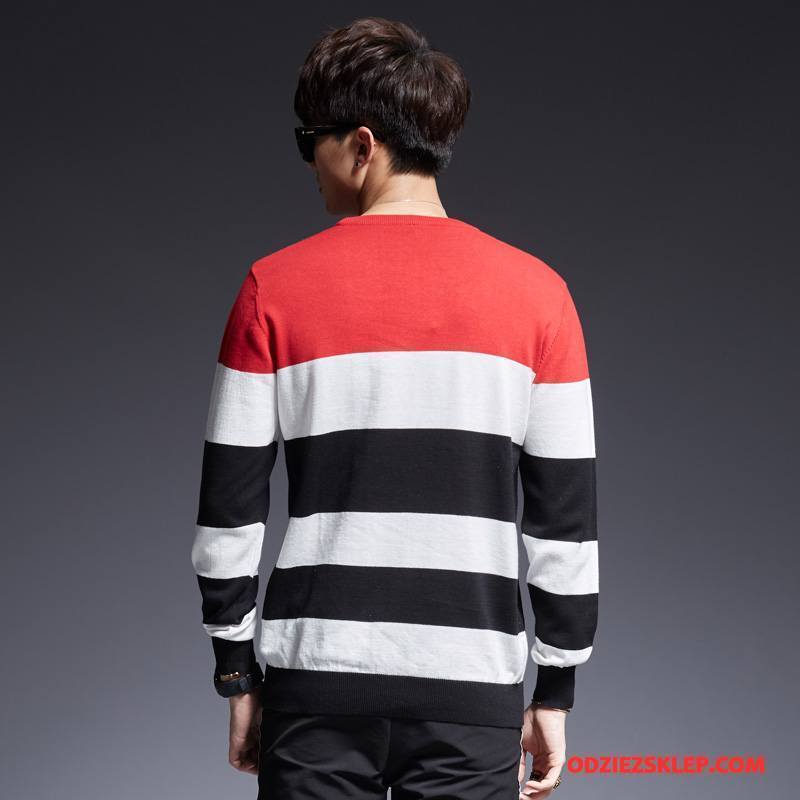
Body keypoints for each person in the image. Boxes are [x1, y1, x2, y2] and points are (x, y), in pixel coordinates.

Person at [190, 16, 599, 800]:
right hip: (470, 691)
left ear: (361, 145)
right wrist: (554, 689)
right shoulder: (540, 296)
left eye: (309, 139)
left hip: (317, 684)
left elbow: (229, 510)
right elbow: (565, 523)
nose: (309, 164)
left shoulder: (274, 287)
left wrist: (236, 671)